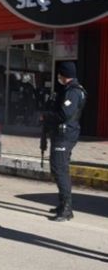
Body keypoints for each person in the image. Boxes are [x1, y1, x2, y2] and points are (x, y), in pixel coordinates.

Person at [44, 62, 86, 222]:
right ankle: (63, 204)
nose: (58, 77)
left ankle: (67, 208)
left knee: (59, 169)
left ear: (63, 74)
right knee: (59, 168)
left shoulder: (73, 92)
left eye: (59, 74)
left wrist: (46, 116)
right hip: (65, 133)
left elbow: (64, 114)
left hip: (65, 134)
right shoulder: (71, 90)